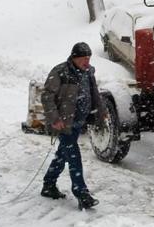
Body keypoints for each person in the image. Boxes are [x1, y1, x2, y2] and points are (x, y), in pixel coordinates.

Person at [40, 42, 105, 210]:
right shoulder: (60, 72)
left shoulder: (89, 72)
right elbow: (47, 96)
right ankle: (82, 193)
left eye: (89, 58)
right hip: (64, 123)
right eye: (84, 58)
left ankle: (48, 184)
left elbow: (94, 92)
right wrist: (54, 118)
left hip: (78, 121)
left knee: (63, 154)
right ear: (74, 57)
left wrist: (101, 111)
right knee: (74, 157)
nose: (87, 61)